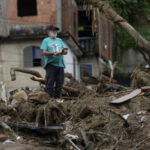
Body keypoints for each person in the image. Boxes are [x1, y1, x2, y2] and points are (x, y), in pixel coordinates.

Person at [40, 24, 68, 99]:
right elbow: (44, 52)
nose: (55, 32)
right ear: (49, 32)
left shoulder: (59, 40)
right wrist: (52, 53)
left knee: (60, 83)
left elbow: (64, 50)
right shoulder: (46, 40)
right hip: (51, 64)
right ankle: (50, 99)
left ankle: (57, 98)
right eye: (53, 30)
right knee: (50, 82)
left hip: (60, 65)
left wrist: (64, 51)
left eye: (55, 30)